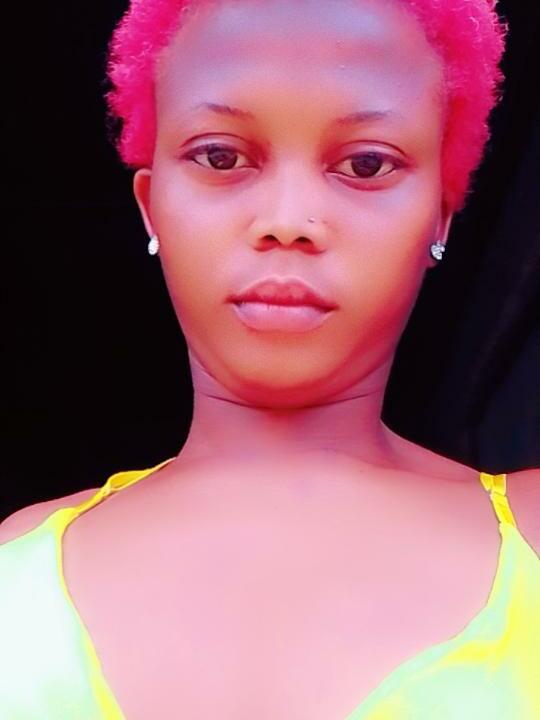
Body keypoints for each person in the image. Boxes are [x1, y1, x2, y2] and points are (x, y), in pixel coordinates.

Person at [1, 0, 539, 717]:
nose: (288, 221)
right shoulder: (13, 568)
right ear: (151, 206)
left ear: (440, 213)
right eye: (221, 157)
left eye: (366, 164)